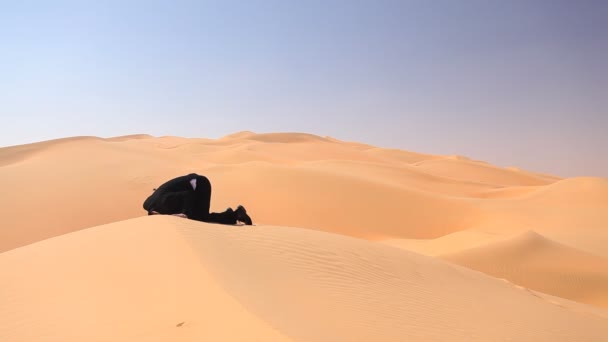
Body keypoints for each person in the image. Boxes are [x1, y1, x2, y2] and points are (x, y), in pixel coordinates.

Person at [143, 173, 252, 225]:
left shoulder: (164, 203)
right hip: (191, 182)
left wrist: (185, 213)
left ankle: (235, 214)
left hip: (200, 184)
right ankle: (232, 214)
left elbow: (188, 194)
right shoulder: (147, 204)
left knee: (200, 218)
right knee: (197, 217)